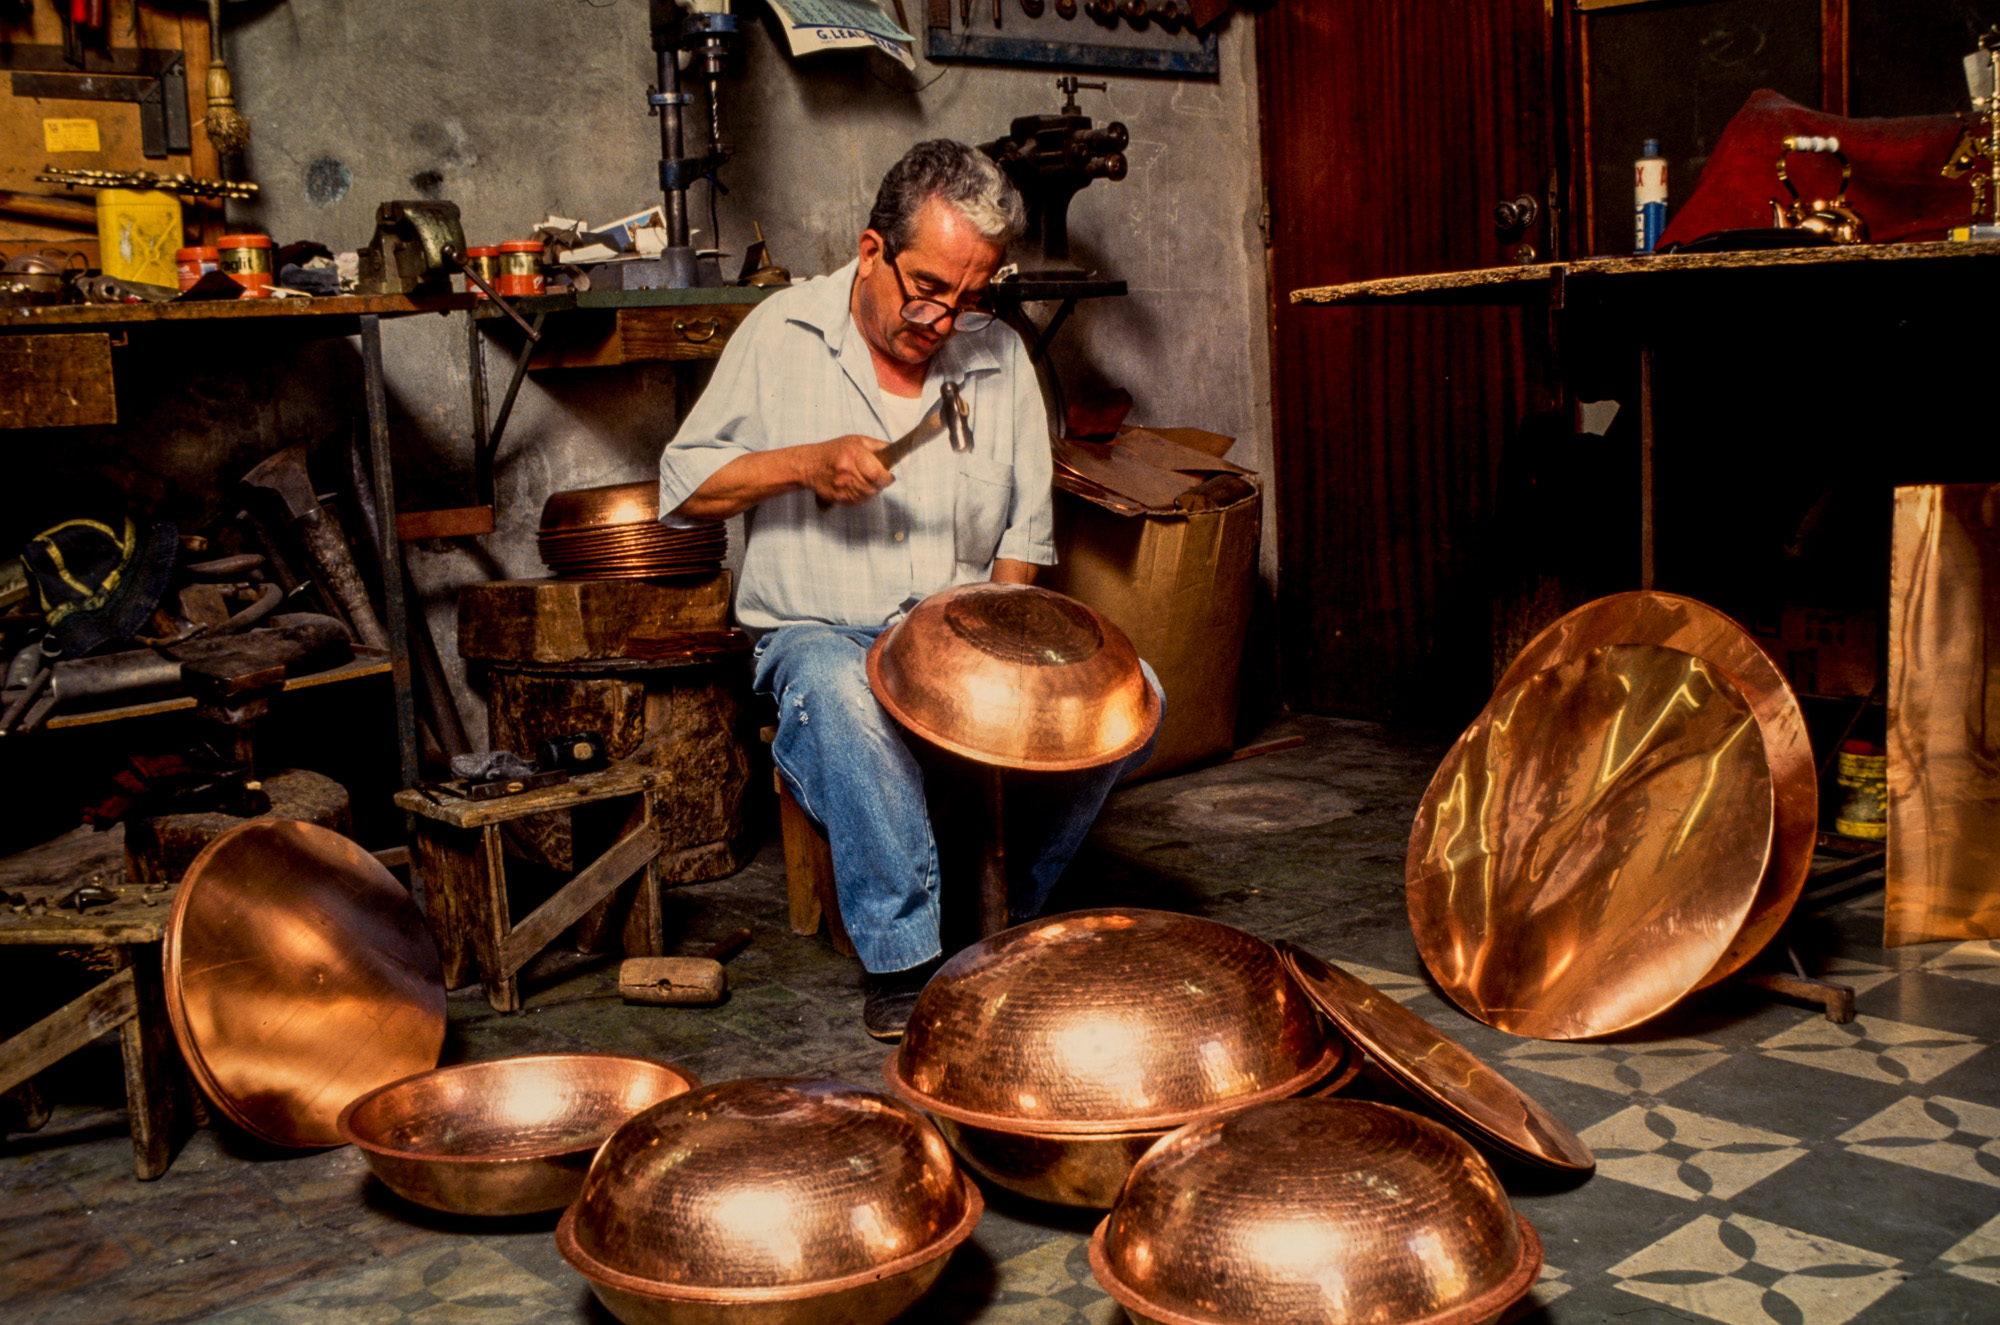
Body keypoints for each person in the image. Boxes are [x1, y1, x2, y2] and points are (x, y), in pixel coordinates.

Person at [658, 139, 1158, 1039]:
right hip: (823, 633)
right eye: (928, 288)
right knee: (845, 695)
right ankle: (909, 960)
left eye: (971, 298)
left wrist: (1012, 666)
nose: (943, 318)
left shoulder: (997, 358)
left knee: (1132, 695)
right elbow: (681, 492)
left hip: (960, 635)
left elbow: (1022, 543)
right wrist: (801, 464)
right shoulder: (782, 334)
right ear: (870, 251)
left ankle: (994, 920)